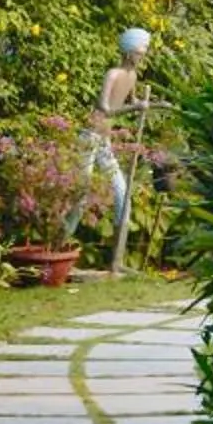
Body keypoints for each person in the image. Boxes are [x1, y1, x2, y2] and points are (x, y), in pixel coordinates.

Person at [82, 27, 151, 273]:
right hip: (90, 137)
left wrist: (148, 104)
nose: (142, 57)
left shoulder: (133, 76)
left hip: (105, 140)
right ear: (128, 51)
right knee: (80, 193)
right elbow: (105, 108)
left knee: (122, 193)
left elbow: (132, 101)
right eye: (139, 52)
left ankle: (116, 260)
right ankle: (57, 246)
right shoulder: (112, 74)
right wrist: (135, 108)